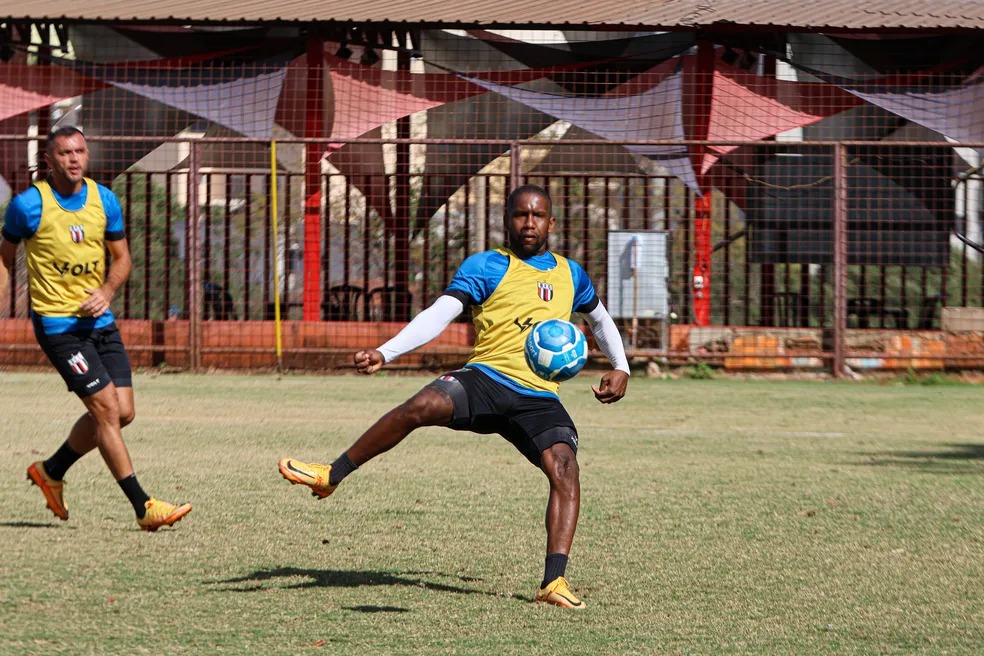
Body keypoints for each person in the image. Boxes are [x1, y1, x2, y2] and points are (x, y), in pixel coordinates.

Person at [279, 184, 629, 608]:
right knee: (420, 406)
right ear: (507, 220)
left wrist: (621, 367)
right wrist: (386, 351)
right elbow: (439, 314)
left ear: (551, 222)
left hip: (538, 397)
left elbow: (601, 320)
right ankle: (330, 475)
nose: (529, 223)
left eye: (538, 216)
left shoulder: (570, 274)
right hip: (485, 379)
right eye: (521, 215)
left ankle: (553, 582)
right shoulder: (486, 266)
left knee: (566, 468)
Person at [0, 126, 192, 532]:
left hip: (101, 324)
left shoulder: (104, 200)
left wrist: (106, 290)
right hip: (58, 327)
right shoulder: (27, 206)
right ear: (49, 160)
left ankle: (51, 471)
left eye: (81, 151)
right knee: (105, 408)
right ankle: (144, 507)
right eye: (66, 153)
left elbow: (122, 259)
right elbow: (5, 258)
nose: (75, 159)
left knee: (123, 413)